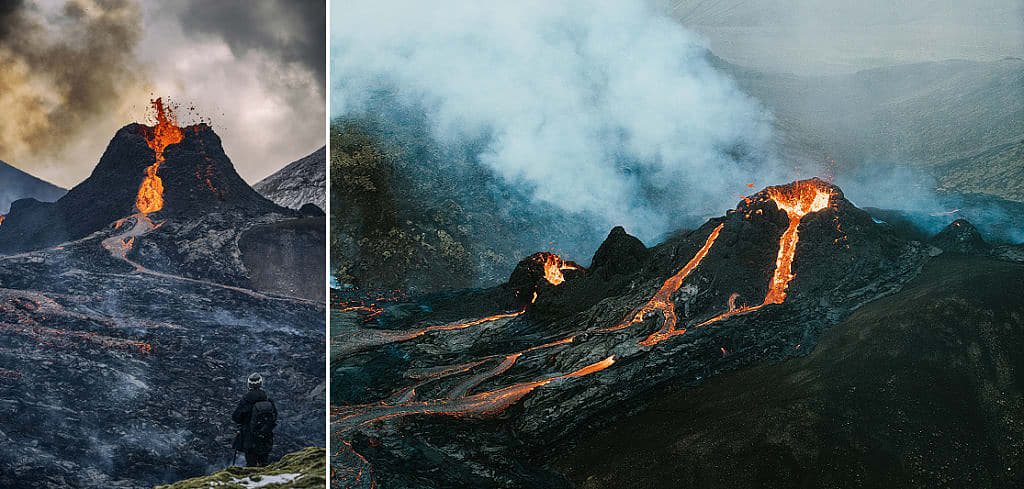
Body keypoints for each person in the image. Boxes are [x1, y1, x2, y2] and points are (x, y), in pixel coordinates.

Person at [232, 373, 278, 466]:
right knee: (264, 463)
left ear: (249, 385)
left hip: (250, 438)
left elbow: (236, 417)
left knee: (251, 464)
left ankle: (252, 475)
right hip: (265, 437)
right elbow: (274, 416)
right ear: (260, 384)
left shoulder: (246, 400)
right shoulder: (267, 399)